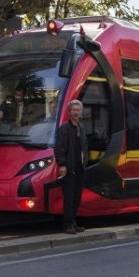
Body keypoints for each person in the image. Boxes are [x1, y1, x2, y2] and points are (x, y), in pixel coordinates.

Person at [54, 99, 89, 235]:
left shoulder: (82, 127)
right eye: (73, 110)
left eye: (78, 110)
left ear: (81, 112)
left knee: (76, 198)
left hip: (80, 168)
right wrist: (62, 164)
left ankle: (73, 223)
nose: (76, 112)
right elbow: (60, 148)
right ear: (69, 112)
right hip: (69, 169)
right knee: (69, 198)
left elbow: (85, 146)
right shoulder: (64, 128)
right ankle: (68, 225)